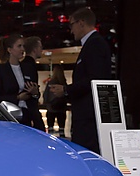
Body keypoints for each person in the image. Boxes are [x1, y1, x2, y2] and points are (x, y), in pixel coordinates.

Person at [49, 7, 111, 153]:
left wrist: (66, 90)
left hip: (88, 117)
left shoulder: (94, 44)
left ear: (81, 23)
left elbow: (94, 79)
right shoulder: (92, 44)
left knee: (86, 155)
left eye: (72, 25)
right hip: (86, 115)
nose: (71, 30)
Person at [0, 34, 40, 127]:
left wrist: (35, 93)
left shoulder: (28, 68)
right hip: (11, 115)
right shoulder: (1, 70)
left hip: (29, 114)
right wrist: (17, 98)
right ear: (10, 50)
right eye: (19, 46)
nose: (22, 49)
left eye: (23, 46)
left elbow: (36, 94)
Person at [21, 36, 46, 131]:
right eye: (40, 47)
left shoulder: (24, 65)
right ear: (34, 49)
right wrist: (35, 94)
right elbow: (30, 89)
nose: (41, 50)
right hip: (30, 110)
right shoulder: (29, 66)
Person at [43, 64, 68, 137]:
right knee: (61, 129)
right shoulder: (63, 83)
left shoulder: (50, 83)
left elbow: (46, 95)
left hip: (51, 108)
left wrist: (46, 103)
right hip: (62, 108)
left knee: (50, 129)